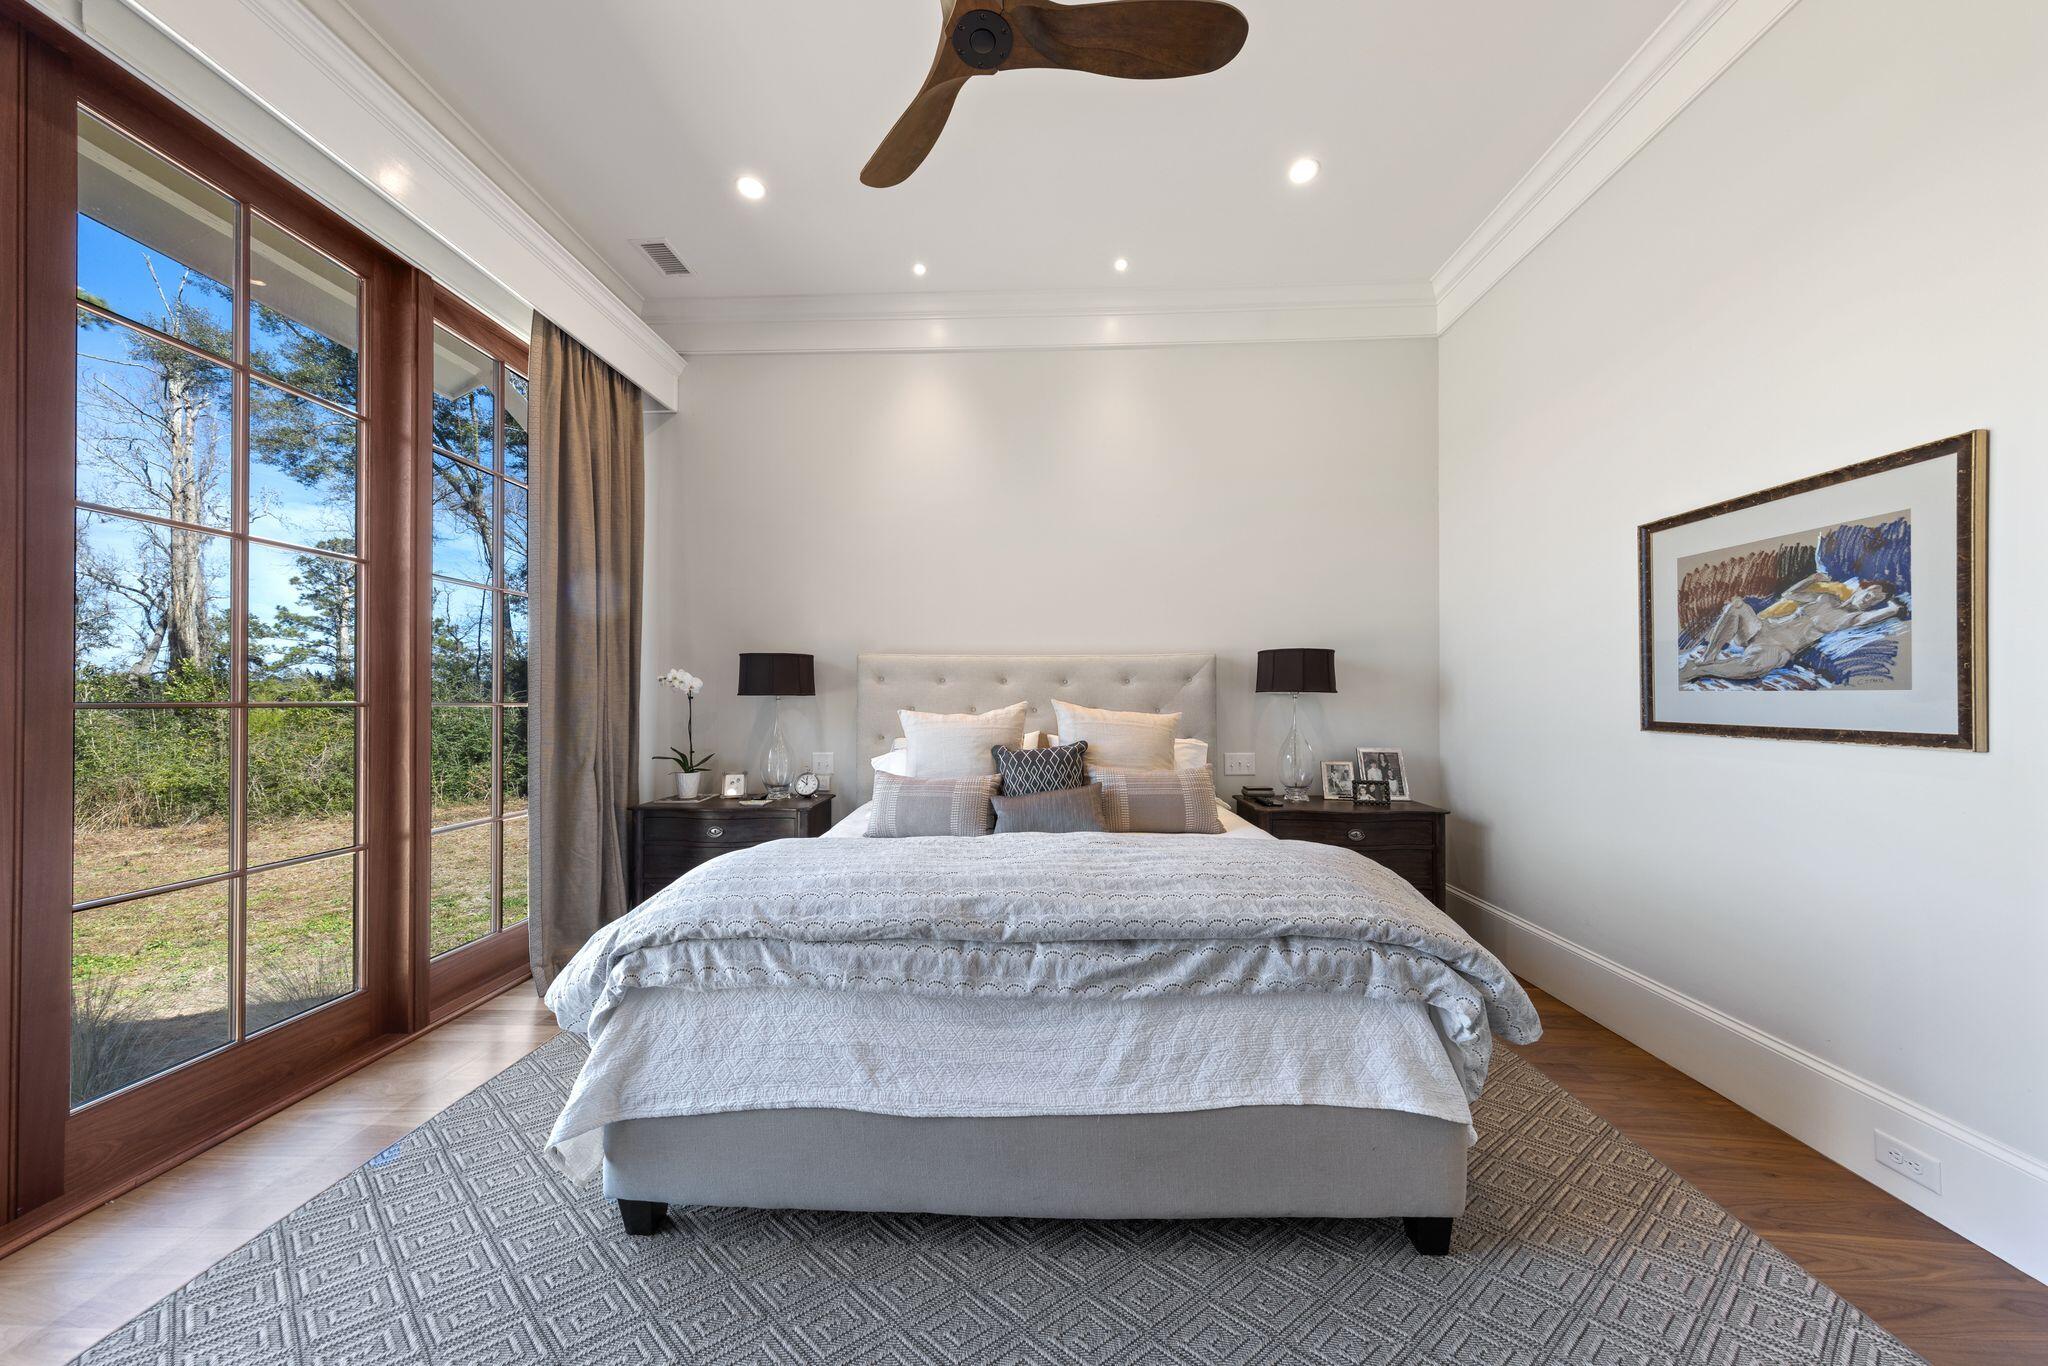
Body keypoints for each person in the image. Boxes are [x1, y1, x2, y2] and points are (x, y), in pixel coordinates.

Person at [1681, 574, 1901, 684]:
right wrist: (1811, 579)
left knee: (1754, 666)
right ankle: (1707, 658)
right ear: (1861, 589)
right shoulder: (1826, 597)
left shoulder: (1853, 618)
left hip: (1778, 648)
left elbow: (1880, 614)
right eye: (1870, 593)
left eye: (1875, 600)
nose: (1869, 599)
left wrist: (1892, 609)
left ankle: (1703, 669)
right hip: (1760, 629)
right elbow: (1790, 595)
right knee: (1736, 606)